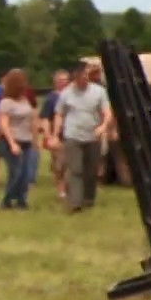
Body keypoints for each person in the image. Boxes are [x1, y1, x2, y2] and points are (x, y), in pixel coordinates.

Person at [53, 64, 113, 211]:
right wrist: (56, 133)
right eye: (81, 78)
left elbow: (107, 112)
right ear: (75, 79)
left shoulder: (99, 92)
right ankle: (75, 203)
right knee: (76, 169)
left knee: (91, 170)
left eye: (86, 77)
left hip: (93, 136)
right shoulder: (66, 93)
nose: (84, 80)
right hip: (73, 135)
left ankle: (88, 198)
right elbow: (59, 114)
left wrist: (103, 126)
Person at [0, 68, 37, 209]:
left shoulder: (24, 100)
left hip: (26, 140)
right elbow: (4, 124)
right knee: (16, 172)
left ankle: (21, 200)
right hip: (11, 141)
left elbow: (31, 119)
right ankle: (7, 200)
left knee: (26, 173)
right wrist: (12, 143)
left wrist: (34, 138)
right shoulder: (6, 102)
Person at [37, 70, 71, 201]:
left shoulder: (73, 95)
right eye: (60, 80)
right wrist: (49, 136)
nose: (63, 82)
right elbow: (45, 118)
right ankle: (61, 190)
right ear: (55, 82)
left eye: (66, 80)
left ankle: (72, 189)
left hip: (73, 134)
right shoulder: (51, 99)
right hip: (58, 137)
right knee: (60, 165)